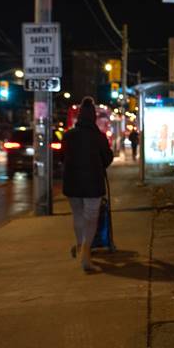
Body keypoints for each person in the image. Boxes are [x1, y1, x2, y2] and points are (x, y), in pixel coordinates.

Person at [62, 97, 114, 272]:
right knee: (91, 219)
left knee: (77, 215)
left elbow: (63, 158)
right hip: (93, 185)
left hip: (72, 183)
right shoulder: (98, 137)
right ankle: (85, 254)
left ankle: (79, 246)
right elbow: (107, 159)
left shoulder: (68, 136)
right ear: (92, 118)